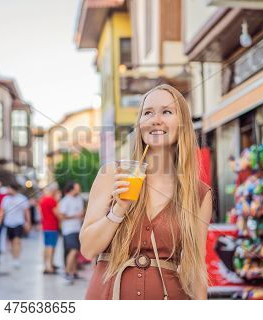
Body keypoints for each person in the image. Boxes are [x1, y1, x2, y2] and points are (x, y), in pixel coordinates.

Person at [81, 84, 212, 300]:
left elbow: (197, 270)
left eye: (167, 112)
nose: (155, 119)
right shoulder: (112, 175)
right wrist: (118, 210)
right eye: (147, 113)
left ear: (182, 126)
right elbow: (87, 249)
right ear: (140, 124)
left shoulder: (198, 193)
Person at [0, 183, 31, 269]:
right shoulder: (5, 199)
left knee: (17, 241)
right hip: (8, 223)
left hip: (19, 223)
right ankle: (14, 257)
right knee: (11, 242)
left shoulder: (22, 198)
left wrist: (28, 222)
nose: (8, 190)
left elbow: (26, 211)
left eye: (9, 188)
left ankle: (17, 259)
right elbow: (2, 210)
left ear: (14, 189)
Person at [58, 182, 84, 284]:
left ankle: (74, 272)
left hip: (78, 229)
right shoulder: (65, 201)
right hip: (68, 230)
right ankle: (67, 272)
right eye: (78, 187)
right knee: (72, 251)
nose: (79, 189)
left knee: (76, 251)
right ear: (72, 188)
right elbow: (62, 216)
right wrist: (75, 216)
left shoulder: (79, 199)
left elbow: (81, 213)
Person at [39, 182, 61, 274]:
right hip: (52, 226)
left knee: (47, 246)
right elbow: (57, 214)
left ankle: (48, 264)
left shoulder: (43, 199)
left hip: (45, 225)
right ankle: (49, 266)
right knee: (51, 247)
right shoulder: (52, 200)